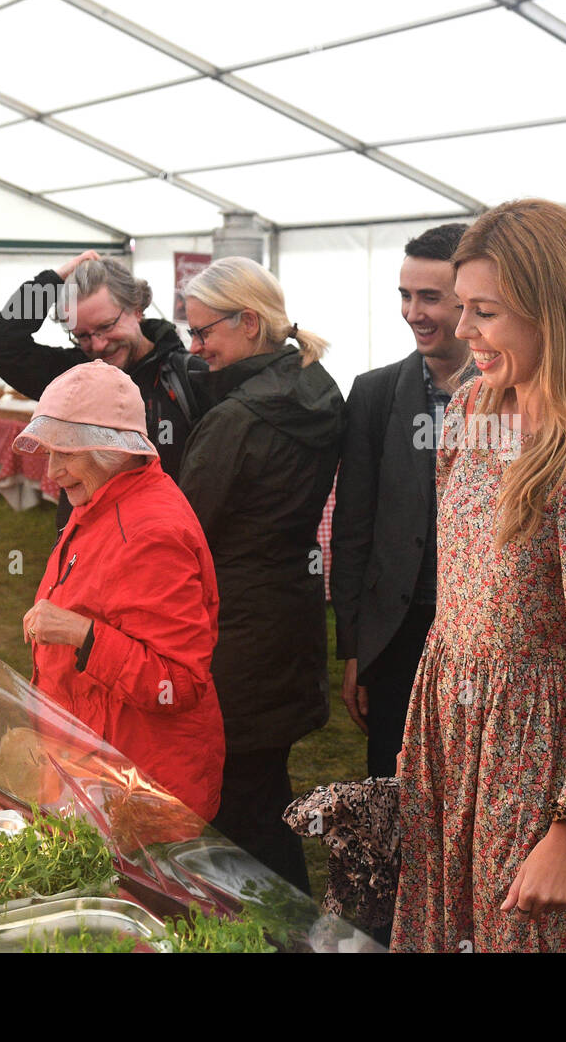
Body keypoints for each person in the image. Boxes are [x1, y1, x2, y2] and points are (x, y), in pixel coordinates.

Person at [392, 199, 566, 953]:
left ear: (553, 310)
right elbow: (460, 599)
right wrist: (429, 741)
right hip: (458, 742)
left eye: (485, 311)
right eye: (463, 308)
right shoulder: (472, 407)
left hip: (543, 763)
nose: (461, 330)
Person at [178, 257, 343, 894]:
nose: (196, 350)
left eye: (203, 333)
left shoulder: (237, 420)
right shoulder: (317, 386)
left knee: (237, 811)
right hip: (287, 616)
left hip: (234, 630)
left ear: (249, 322)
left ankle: (270, 929)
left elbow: (186, 531)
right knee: (263, 791)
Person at [15, 360, 224, 821]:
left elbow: (178, 682)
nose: (52, 471)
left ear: (110, 449)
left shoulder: (151, 532)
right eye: (49, 453)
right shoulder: (102, 500)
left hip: (139, 790)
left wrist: (82, 634)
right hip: (95, 772)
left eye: (65, 453)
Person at [331, 222, 472, 780]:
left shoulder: (521, 397)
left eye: (430, 297)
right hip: (399, 634)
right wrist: (355, 649)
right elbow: (353, 526)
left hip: (483, 636)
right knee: (396, 790)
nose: (414, 312)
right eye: (405, 296)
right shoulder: (374, 392)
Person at [0, 250, 209, 526]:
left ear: (137, 309)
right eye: (82, 336)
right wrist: (53, 280)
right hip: (84, 545)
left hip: (160, 545)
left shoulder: (187, 376)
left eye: (106, 326)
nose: (98, 345)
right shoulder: (74, 377)